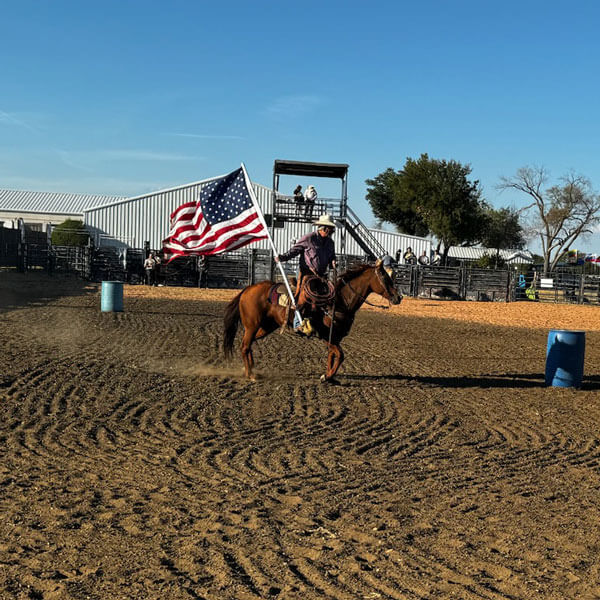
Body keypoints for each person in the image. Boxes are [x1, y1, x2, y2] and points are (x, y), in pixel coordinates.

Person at [276, 214, 337, 334]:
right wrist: (283, 257)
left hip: (321, 275)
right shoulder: (309, 238)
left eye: (332, 230)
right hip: (306, 272)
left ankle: (320, 321)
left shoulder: (330, 243)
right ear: (323, 228)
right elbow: (295, 250)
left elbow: (331, 256)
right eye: (330, 229)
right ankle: (297, 323)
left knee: (327, 296)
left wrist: (333, 261)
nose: (331, 232)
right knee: (303, 296)